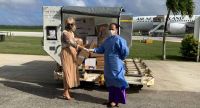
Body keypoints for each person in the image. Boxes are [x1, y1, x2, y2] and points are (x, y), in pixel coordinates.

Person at [89, 23, 129, 107]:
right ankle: (111, 99)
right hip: (108, 65)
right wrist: (93, 50)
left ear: (117, 30)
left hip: (116, 64)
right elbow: (101, 49)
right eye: (110, 29)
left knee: (117, 80)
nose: (110, 31)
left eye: (112, 29)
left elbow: (125, 51)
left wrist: (121, 58)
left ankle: (116, 101)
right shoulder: (107, 40)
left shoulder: (120, 40)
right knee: (110, 82)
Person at [61, 17, 85, 100]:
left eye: (72, 24)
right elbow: (71, 42)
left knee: (71, 72)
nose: (72, 26)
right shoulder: (65, 33)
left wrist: (78, 39)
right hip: (67, 54)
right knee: (67, 73)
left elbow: (73, 39)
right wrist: (82, 46)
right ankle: (65, 92)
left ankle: (67, 91)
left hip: (72, 54)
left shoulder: (71, 32)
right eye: (70, 24)